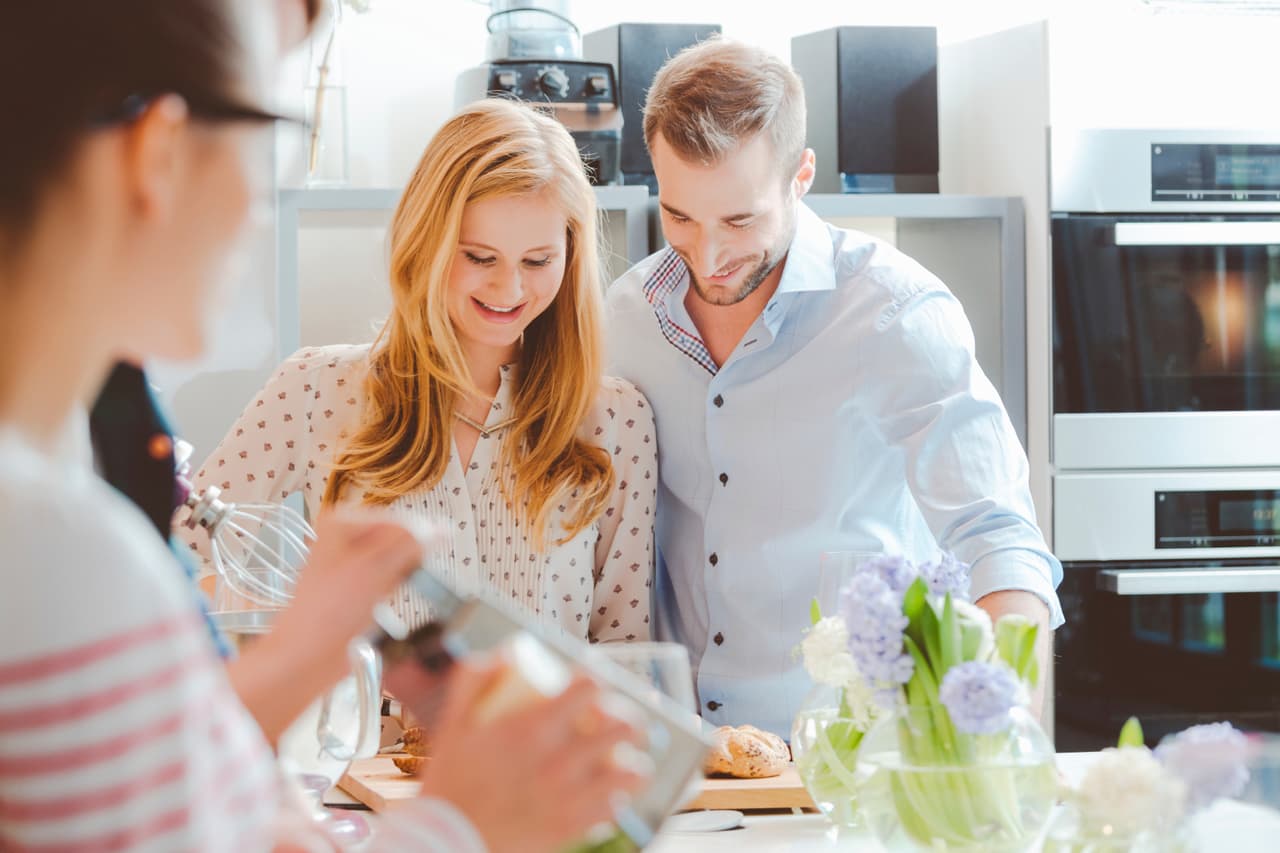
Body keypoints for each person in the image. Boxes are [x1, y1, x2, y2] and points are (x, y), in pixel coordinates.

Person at [0, 2, 644, 851]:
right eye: (271, 125)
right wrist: (458, 821)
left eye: (537, 259)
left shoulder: (71, 511)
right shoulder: (69, 551)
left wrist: (300, 655)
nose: (266, 201)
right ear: (158, 150)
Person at [605, 37, 1066, 738]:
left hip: (851, 755)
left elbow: (995, 533)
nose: (709, 255)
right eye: (680, 217)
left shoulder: (894, 311)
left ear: (802, 175)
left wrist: (1001, 739)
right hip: (680, 759)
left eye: (739, 218)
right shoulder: (626, 317)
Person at [180, 97, 657, 644]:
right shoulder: (314, 389)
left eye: (537, 261)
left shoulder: (617, 420)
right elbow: (175, 567)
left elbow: (626, 650)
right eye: (479, 257)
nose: (509, 289)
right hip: (369, 732)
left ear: (570, 258)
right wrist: (295, 621)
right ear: (425, 241)